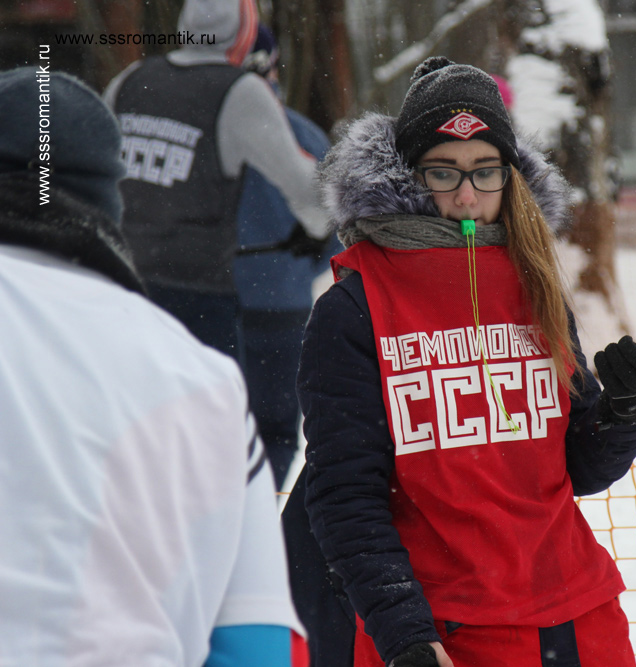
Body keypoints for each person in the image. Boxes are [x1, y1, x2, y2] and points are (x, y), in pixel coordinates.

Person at [294, 56, 636, 667]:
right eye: (442, 172)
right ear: (408, 177)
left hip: (579, 618)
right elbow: (345, 495)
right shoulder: (354, 307)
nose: (467, 194)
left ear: (512, 176)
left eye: (485, 171)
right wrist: (405, 636)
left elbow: (577, 466)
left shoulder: (535, 282)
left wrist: (626, 412)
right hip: (449, 631)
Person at [0, 68, 305, 665]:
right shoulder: (205, 381)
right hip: (206, 302)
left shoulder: (136, 83)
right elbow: (260, 644)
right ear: (110, 197)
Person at [103, 0, 329, 366]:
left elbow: (93, 172)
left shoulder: (131, 79)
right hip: (198, 297)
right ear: (244, 31)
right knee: (207, 401)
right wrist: (316, 232)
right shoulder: (239, 90)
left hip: (126, 287)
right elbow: (310, 192)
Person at [236, 25, 343, 489]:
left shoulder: (200, 130)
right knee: (275, 432)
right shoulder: (302, 135)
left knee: (208, 427)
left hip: (206, 301)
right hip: (281, 306)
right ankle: (257, 513)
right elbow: (337, 227)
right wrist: (294, 269)